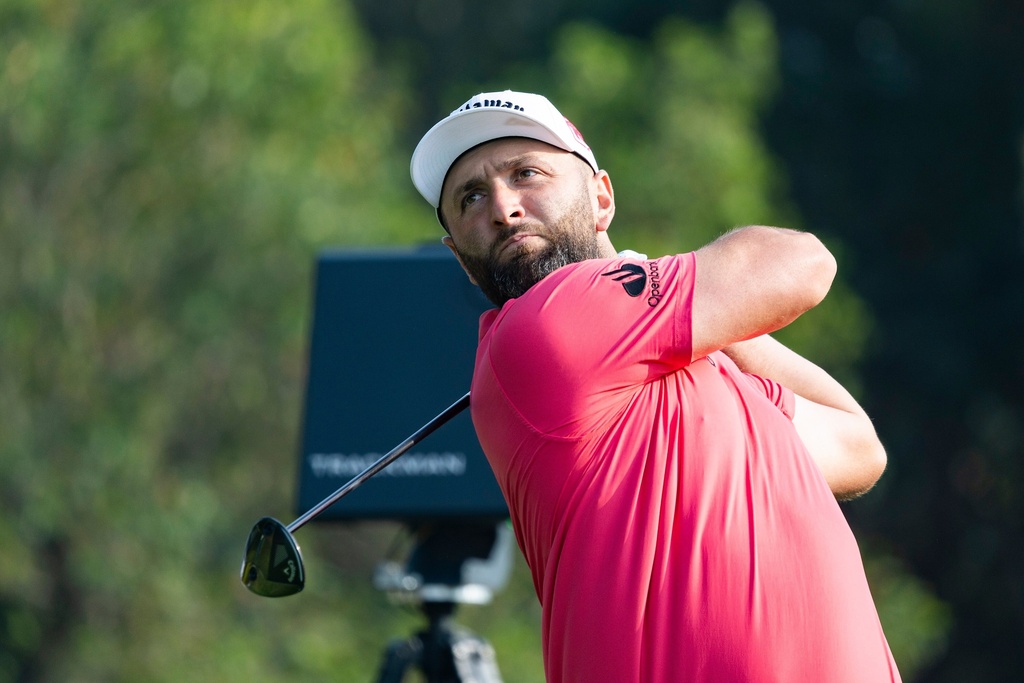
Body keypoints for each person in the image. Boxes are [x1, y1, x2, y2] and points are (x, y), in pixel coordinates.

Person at [409, 90, 901, 683]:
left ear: (601, 196)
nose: (504, 207)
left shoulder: (706, 376)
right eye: (472, 196)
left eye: (526, 173)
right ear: (461, 258)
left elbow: (856, 447)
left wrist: (700, 329)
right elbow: (803, 263)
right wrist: (680, 295)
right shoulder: (543, 326)